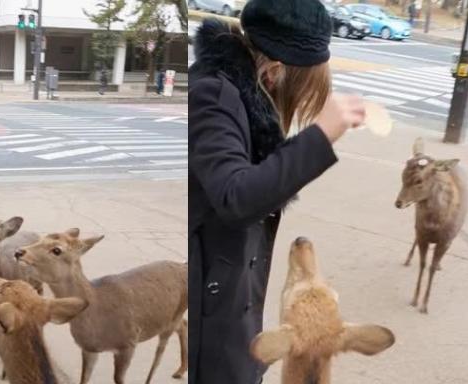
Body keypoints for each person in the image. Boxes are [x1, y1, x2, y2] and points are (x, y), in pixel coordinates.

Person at [188, 0, 366, 383]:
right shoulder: (213, 97)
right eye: (303, 93)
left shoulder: (241, 98)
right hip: (209, 302)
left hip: (229, 300)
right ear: (275, 72)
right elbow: (236, 197)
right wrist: (320, 136)